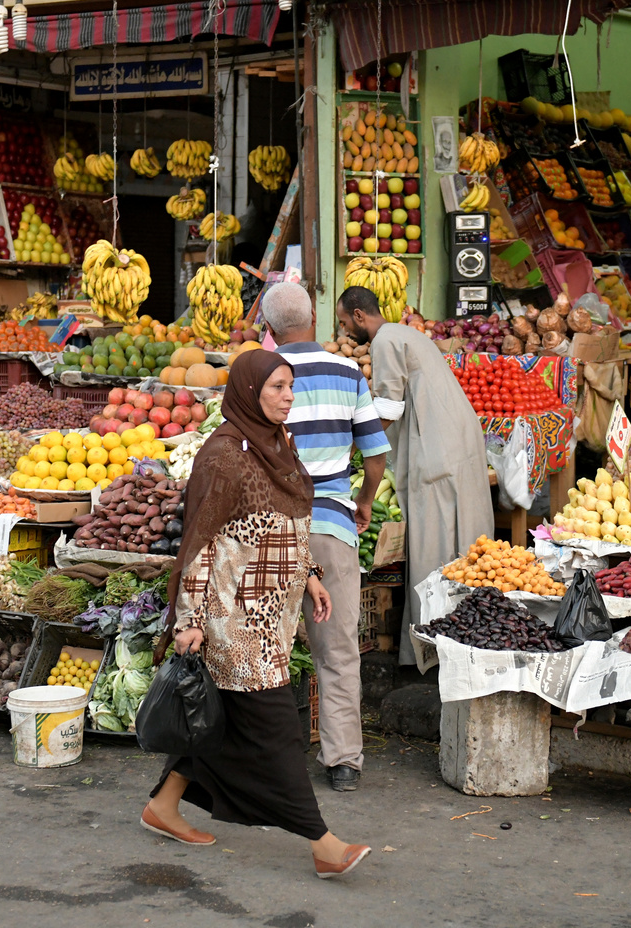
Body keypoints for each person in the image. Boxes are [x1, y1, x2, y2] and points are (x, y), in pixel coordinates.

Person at [144, 349, 372, 880]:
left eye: (291, 387)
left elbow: (289, 526)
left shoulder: (279, 446)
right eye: (276, 388)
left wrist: (310, 573)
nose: (288, 397)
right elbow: (199, 545)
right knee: (275, 731)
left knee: (223, 726)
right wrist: (190, 621)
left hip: (274, 613)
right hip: (233, 621)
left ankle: (163, 806)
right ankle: (323, 843)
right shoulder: (222, 457)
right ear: (249, 391)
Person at [260, 281, 389, 792]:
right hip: (332, 525)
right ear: (315, 319)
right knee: (337, 649)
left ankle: (265, 756)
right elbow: (375, 454)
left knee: (261, 645)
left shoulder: (259, 375)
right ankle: (343, 763)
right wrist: (364, 500)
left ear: (269, 330)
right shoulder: (347, 371)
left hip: (271, 526)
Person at [335, 285, 494, 661]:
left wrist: (349, 451)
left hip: (437, 449)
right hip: (455, 441)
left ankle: (435, 645)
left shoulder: (385, 341)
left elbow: (388, 408)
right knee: (462, 537)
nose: (344, 332)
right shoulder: (404, 333)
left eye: (344, 323)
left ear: (359, 316)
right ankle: (471, 633)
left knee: (434, 543)